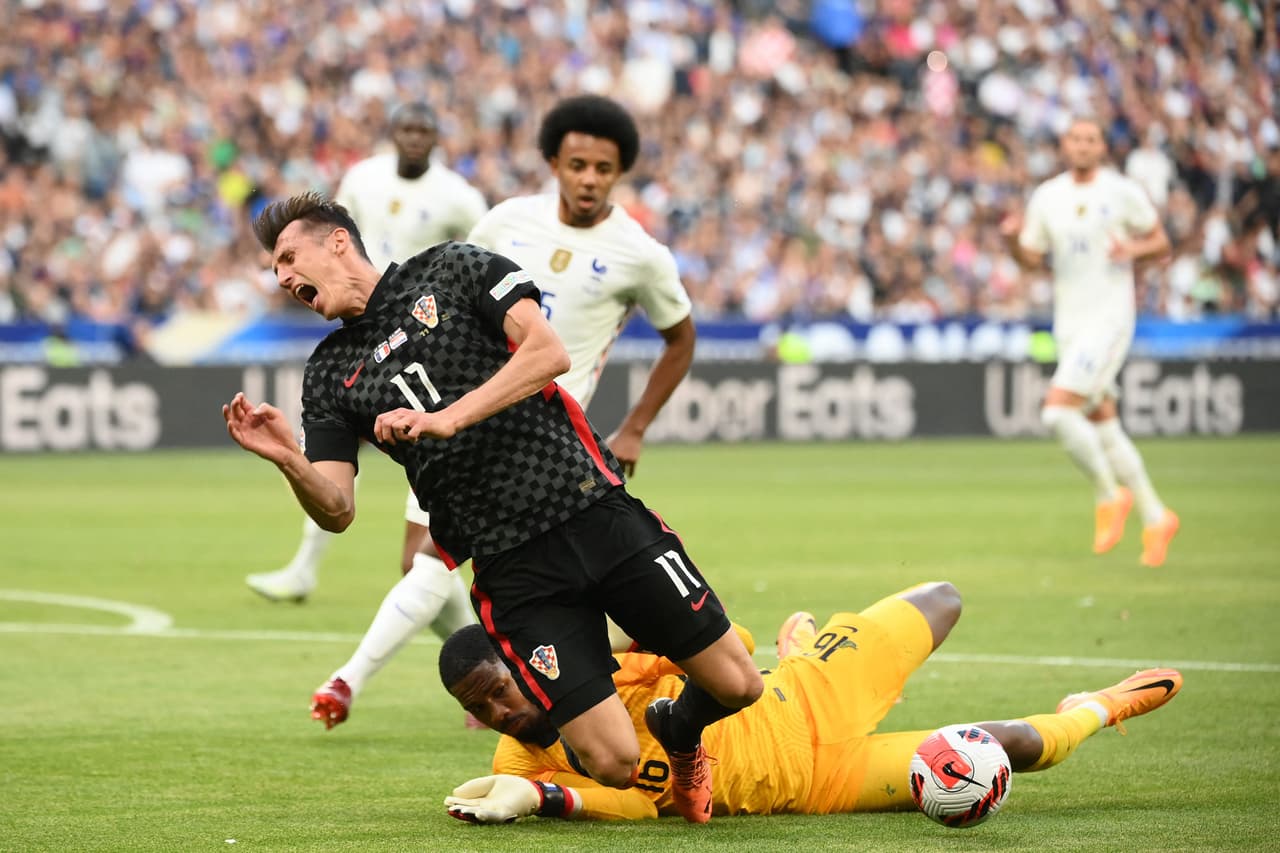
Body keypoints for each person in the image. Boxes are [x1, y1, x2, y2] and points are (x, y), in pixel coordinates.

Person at [223, 191, 760, 823]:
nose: (284, 278)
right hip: (511, 570)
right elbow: (337, 508)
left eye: (289, 257)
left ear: (337, 241)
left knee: (739, 684)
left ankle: (678, 724)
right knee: (611, 762)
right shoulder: (328, 372)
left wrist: (446, 418)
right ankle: (563, 751)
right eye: (276, 270)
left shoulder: (453, 268)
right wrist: (289, 458)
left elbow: (547, 353)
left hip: (591, 508)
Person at [307, 94, 697, 732]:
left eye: (603, 168)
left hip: (543, 440)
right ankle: (518, 671)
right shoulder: (506, 222)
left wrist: (636, 426)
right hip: (449, 414)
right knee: (422, 562)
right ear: (553, 163)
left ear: (620, 171)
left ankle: (357, 680)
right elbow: (439, 288)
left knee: (439, 563)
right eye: (577, 165)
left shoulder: (640, 253)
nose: (589, 179)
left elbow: (680, 338)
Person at [438, 582, 1184, 822]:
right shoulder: (528, 758)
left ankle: (805, 649)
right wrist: (539, 796)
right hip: (821, 784)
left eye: (500, 687)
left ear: (524, 658)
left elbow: (731, 641)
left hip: (804, 692)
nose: (502, 711)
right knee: (1007, 751)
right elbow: (637, 805)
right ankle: (1098, 707)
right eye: (484, 707)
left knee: (943, 599)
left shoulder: (608, 670)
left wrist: (642, 645)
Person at [245, 101, 489, 604]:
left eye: (425, 128)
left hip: (424, 332)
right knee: (335, 450)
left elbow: (485, 249)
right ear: (393, 133)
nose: (415, 137)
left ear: (437, 136)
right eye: (407, 128)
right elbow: (328, 232)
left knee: (427, 546)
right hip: (364, 328)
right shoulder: (364, 178)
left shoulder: (459, 197)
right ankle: (306, 568)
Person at [1001, 116, 1180, 567]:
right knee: (1103, 423)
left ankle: (1108, 495)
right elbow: (1030, 261)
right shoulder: (1048, 196)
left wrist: (1132, 252)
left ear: (1102, 147)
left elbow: (1161, 241)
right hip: (1070, 322)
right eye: (1075, 139)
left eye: (1091, 139)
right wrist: (1009, 241)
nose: (1082, 146)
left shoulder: (1121, 191)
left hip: (1110, 316)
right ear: (1065, 145)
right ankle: (1157, 517)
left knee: (1058, 410)